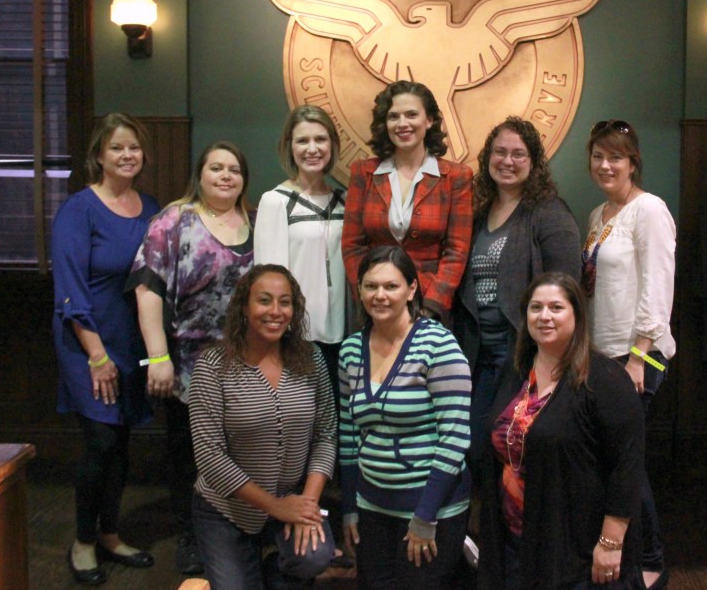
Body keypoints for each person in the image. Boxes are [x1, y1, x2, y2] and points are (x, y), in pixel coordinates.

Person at [128, 141, 255, 574]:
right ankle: (192, 535)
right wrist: (156, 356)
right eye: (215, 168)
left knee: (238, 453)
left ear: (243, 179)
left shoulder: (255, 222)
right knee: (190, 456)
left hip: (246, 364)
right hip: (189, 364)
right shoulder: (174, 221)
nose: (225, 176)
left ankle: (238, 532)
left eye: (233, 169)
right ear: (199, 175)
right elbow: (147, 289)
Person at [477, 272, 645, 589]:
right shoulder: (515, 374)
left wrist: (611, 543)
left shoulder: (605, 379)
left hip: (574, 548)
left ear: (577, 315)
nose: (544, 316)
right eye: (535, 308)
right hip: (515, 539)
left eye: (556, 307)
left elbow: (627, 465)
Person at [51, 113, 160, 585]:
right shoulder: (80, 209)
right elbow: (69, 290)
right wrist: (96, 356)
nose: (127, 155)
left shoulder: (151, 207)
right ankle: (82, 541)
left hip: (132, 339)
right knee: (99, 442)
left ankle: (112, 534)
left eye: (133, 147)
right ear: (99, 155)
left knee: (120, 446)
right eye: (117, 148)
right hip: (88, 341)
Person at [189, 264, 337, 590]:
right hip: (226, 510)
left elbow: (326, 435)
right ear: (244, 306)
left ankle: (274, 563)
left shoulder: (310, 358)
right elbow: (210, 457)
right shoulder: (213, 365)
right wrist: (276, 507)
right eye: (264, 301)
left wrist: (305, 506)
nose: (275, 311)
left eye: (285, 302)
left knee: (313, 557)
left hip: (291, 498)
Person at [338, 246, 472, 589]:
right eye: (370, 286)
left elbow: (454, 438)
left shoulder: (438, 345)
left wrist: (425, 516)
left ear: (411, 289)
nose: (379, 295)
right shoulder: (351, 349)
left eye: (390, 286)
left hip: (430, 512)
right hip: (372, 507)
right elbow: (350, 435)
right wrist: (350, 506)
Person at [453, 116, 581, 463]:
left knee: (497, 444)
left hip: (522, 354)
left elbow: (566, 292)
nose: (507, 161)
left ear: (534, 162)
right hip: (477, 354)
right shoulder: (477, 213)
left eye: (518, 154)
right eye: (499, 152)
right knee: (470, 447)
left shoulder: (549, 214)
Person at [583, 120, 676, 590]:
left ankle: (652, 561)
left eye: (615, 157)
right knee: (615, 460)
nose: (605, 165)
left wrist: (638, 356)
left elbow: (658, 289)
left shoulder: (650, 210)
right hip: (604, 354)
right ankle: (634, 556)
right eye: (598, 156)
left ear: (633, 161)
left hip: (641, 355)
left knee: (625, 460)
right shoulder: (599, 214)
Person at [341, 80, 473, 323]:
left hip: (429, 308)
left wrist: (430, 306)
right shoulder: (363, 173)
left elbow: (457, 251)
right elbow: (352, 245)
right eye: (393, 116)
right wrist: (368, 294)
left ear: (429, 120)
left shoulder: (456, 177)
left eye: (411, 114)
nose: (402, 124)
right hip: (375, 305)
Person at [255, 104, 346, 395]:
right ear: (289, 147)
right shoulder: (276, 201)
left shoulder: (346, 201)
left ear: (332, 144)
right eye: (302, 141)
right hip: (299, 336)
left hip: (345, 335)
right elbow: (268, 281)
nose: (312, 148)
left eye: (320, 139)